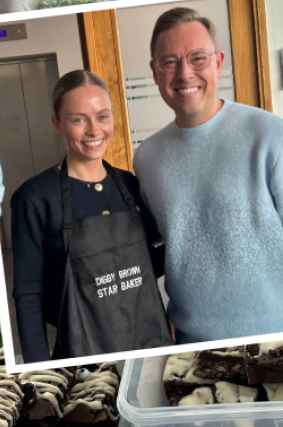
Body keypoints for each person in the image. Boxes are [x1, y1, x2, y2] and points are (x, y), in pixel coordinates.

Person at [133, 7, 283, 343]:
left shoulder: (270, 136)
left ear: (218, 62)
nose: (185, 73)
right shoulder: (147, 158)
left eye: (198, 58)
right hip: (193, 347)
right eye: (170, 62)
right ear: (155, 71)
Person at [12, 70, 173, 363]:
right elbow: (28, 294)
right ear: (57, 124)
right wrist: (38, 374)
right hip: (85, 361)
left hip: (151, 348)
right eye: (78, 119)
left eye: (102, 116)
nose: (94, 130)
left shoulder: (130, 184)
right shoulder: (34, 198)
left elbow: (152, 263)